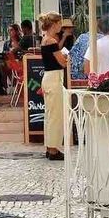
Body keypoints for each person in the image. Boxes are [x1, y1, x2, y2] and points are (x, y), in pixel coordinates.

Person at [39, 11, 67, 161]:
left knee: (50, 115)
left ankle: (50, 146)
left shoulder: (45, 39)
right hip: (54, 77)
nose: (61, 26)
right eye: (60, 23)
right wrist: (66, 58)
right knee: (56, 115)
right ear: (54, 24)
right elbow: (62, 62)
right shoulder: (52, 41)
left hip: (48, 77)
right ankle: (54, 149)